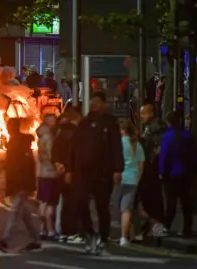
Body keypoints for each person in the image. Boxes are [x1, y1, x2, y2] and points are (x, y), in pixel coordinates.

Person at [65, 91, 124, 254]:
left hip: (103, 172)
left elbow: (116, 147)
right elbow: (73, 147)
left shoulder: (110, 123)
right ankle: (89, 233)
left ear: (104, 104)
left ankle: (103, 238)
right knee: (81, 202)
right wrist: (69, 169)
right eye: (92, 102)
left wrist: (118, 169)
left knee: (102, 206)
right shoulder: (84, 124)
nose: (94, 105)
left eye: (98, 102)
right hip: (83, 173)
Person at [0, 118, 41, 251]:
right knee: (25, 214)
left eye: (10, 126)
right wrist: (5, 164)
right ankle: (35, 240)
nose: (8, 128)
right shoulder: (14, 142)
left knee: (14, 212)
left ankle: (5, 240)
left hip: (21, 184)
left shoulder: (20, 143)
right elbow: (14, 164)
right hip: (16, 183)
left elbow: (26, 166)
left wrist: (28, 186)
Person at [159, 112, 197, 236]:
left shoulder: (167, 137)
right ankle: (187, 228)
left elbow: (163, 156)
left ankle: (166, 226)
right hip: (186, 173)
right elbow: (194, 155)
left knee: (171, 202)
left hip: (172, 174)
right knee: (186, 201)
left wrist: (161, 172)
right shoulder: (188, 135)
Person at [52, 107, 84, 244]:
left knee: (65, 203)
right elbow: (73, 155)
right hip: (72, 173)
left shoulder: (60, 133)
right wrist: (70, 171)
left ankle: (64, 233)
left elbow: (54, 153)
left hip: (62, 173)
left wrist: (57, 164)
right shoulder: (74, 133)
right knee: (73, 203)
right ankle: (72, 233)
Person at [113, 120, 145, 246]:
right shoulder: (137, 145)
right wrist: (137, 178)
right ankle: (125, 236)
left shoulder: (118, 144)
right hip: (132, 180)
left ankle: (122, 235)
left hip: (119, 179)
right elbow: (141, 165)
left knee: (119, 208)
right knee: (127, 209)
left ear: (122, 130)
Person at [137, 103, 167, 237]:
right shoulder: (149, 127)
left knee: (153, 198)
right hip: (150, 168)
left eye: (143, 113)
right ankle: (153, 225)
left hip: (152, 170)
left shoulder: (155, 129)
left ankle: (156, 225)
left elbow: (156, 149)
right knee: (149, 198)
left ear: (150, 113)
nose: (141, 116)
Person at [36, 114, 60, 241]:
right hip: (51, 174)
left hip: (41, 174)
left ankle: (42, 229)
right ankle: (51, 230)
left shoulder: (41, 137)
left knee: (42, 202)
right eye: (53, 121)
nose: (55, 123)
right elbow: (51, 156)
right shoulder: (50, 137)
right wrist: (57, 166)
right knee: (50, 204)